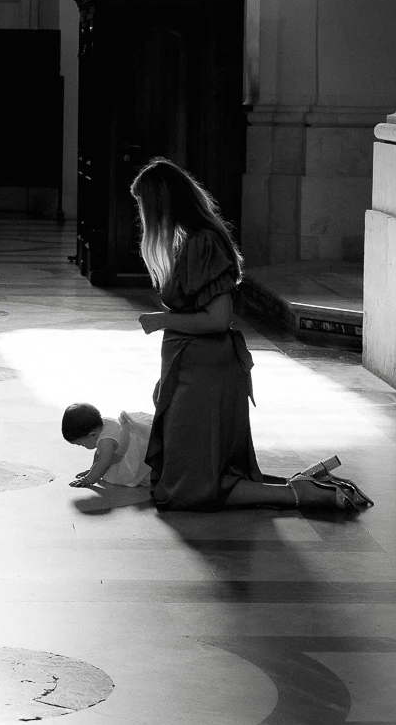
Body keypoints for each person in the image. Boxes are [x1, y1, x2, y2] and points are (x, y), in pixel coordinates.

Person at [130, 157, 372, 514]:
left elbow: (217, 319)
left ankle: (300, 495)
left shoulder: (203, 243)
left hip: (207, 375)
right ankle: (304, 489)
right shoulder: (192, 240)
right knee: (188, 477)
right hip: (194, 372)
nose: (143, 217)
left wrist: (162, 321)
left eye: (143, 206)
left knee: (191, 488)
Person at [62, 402, 153, 489]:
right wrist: (92, 471)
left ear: (92, 435)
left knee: (118, 473)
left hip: (136, 454)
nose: (83, 446)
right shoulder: (102, 424)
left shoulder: (106, 441)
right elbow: (98, 455)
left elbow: (104, 463)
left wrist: (87, 480)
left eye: (82, 444)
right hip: (131, 443)